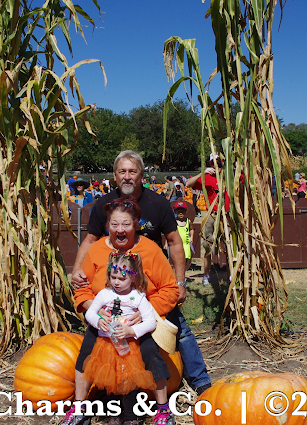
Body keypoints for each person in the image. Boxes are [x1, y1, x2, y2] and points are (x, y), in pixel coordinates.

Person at [71, 150, 211, 396]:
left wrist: (179, 282)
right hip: (115, 291)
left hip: (152, 287)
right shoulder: (104, 205)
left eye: (132, 172)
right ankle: (109, 393)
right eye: (122, 172)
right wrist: (77, 271)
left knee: (181, 330)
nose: (127, 177)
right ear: (114, 176)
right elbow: (90, 240)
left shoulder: (158, 204)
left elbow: (175, 242)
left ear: (141, 175)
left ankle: (200, 380)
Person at [69, 199, 177, 425]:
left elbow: (170, 288)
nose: (120, 230)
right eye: (115, 224)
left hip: (139, 322)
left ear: (136, 224)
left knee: (148, 356)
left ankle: (161, 410)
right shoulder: (97, 249)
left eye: (126, 224)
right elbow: (83, 289)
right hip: (104, 322)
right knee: (87, 354)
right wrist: (96, 314)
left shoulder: (150, 249)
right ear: (107, 224)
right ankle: (79, 408)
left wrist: (145, 313)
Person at [62, 250, 168, 425]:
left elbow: (150, 322)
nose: (116, 282)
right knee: (111, 380)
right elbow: (90, 313)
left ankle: (131, 416)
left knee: (128, 379)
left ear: (133, 278)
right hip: (106, 344)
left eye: (121, 279)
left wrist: (131, 331)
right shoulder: (105, 294)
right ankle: (113, 414)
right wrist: (98, 322)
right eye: (113, 277)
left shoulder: (139, 297)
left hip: (128, 344)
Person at [185, 156, 230, 287]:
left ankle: (231, 274)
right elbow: (188, 184)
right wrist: (203, 172)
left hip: (227, 215)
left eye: (219, 163)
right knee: (208, 246)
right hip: (212, 214)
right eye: (214, 163)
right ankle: (206, 275)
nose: (217, 165)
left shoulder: (229, 176)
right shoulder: (208, 178)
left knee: (229, 246)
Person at [173, 201, 193, 274]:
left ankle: (182, 275)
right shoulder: (174, 222)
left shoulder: (188, 221)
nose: (181, 213)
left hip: (186, 244)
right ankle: (177, 275)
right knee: (177, 261)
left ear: (186, 212)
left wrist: (191, 238)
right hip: (177, 245)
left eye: (182, 211)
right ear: (175, 212)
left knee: (185, 261)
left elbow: (191, 229)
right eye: (178, 211)